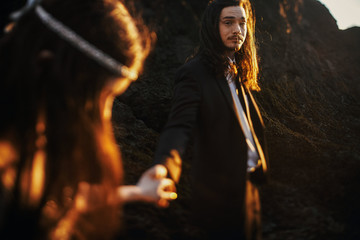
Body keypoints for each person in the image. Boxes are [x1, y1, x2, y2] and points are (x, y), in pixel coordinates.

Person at [0, 0, 176, 239]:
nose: (105, 116)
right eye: (99, 98)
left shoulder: (32, 129)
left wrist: (137, 192)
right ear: (46, 66)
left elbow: (58, 197)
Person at [152, 0, 269, 239]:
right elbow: (178, 128)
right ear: (212, 27)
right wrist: (163, 170)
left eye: (242, 23)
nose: (237, 30)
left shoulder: (240, 77)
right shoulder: (193, 74)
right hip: (219, 198)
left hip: (250, 192)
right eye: (228, 22)